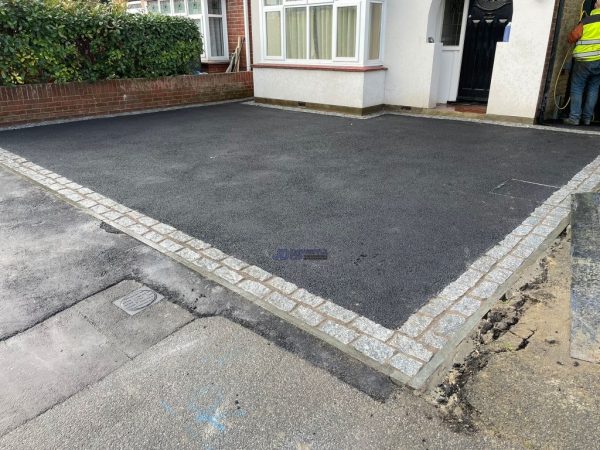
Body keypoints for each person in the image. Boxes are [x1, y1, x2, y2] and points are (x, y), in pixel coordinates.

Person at [565, 1, 600, 126]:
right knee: (594, 88)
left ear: (597, 5)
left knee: (577, 88)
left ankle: (574, 117)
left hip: (584, 61)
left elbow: (573, 37)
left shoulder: (587, 20)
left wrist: (569, 38)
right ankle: (587, 118)